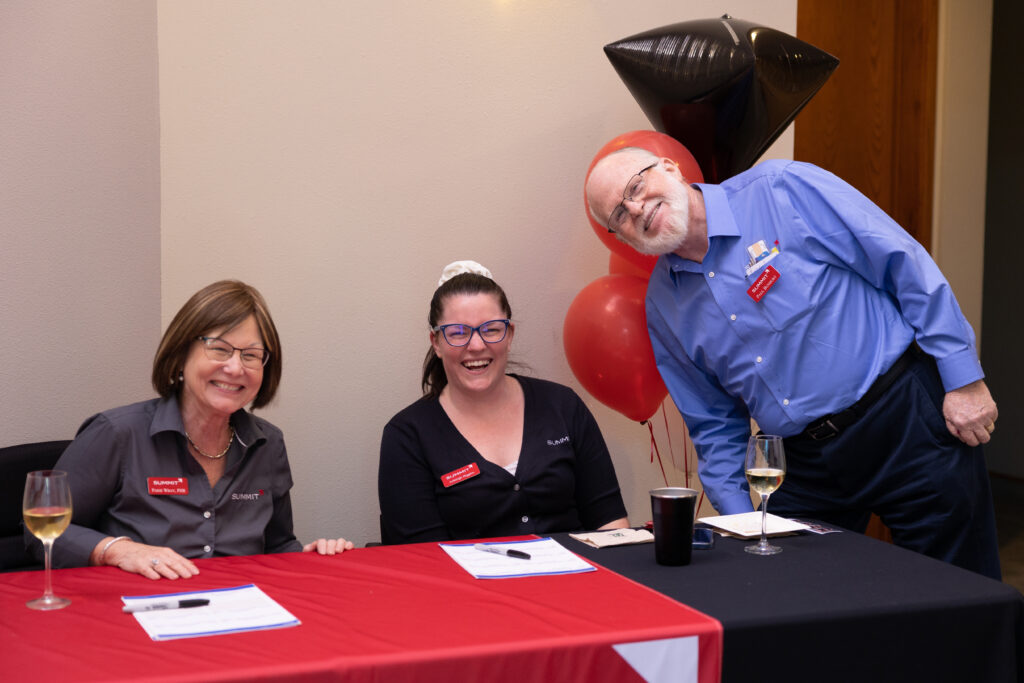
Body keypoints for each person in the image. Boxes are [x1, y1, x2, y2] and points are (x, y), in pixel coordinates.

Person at [585, 148, 1001, 578]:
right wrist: (739, 517)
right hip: (803, 464)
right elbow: (712, 422)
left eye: (636, 186)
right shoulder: (663, 305)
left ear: (669, 168)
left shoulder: (780, 189)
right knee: (792, 601)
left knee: (962, 590)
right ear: (623, 236)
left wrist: (963, 378)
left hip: (905, 422)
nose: (636, 208)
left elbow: (902, 263)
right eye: (619, 214)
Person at [41, 280, 353, 579]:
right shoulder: (117, 434)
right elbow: (40, 531)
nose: (235, 367)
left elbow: (277, 545)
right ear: (180, 356)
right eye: (219, 349)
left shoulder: (268, 443)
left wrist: (310, 557)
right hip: (138, 613)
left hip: (241, 612)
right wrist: (118, 550)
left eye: (251, 355)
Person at [378, 261, 629, 544]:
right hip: (464, 587)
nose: (476, 345)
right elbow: (423, 561)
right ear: (436, 342)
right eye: (458, 332)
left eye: (491, 329)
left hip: (577, 582)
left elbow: (610, 524)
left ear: (509, 335)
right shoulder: (407, 436)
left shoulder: (563, 406)